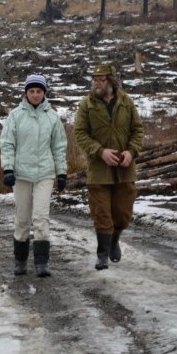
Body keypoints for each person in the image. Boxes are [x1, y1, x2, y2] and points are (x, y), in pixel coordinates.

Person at [73, 64, 145, 270]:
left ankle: (114, 240)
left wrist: (131, 152)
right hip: (98, 169)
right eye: (95, 79)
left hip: (124, 168)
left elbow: (137, 130)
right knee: (101, 212)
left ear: (112, 81)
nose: (97, 83)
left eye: (102, 79)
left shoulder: (126, 102)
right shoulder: (86, 104)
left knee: (122, 213)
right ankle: (102, 254)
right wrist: (100, 151)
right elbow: (80, 133)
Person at [0, 73, 68, 277]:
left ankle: (41, 263)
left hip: (44, 174)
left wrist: (62, 172)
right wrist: (8, 169)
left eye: (39, 91)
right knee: (22, 219)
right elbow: (7, 144)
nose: (35, 95)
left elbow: (59, 146)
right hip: (20, 175)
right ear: (26, 93)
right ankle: (20, 261)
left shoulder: (53, 117)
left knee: (41, 218)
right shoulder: (15, 116)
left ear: (44, 93)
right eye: (32, 91)